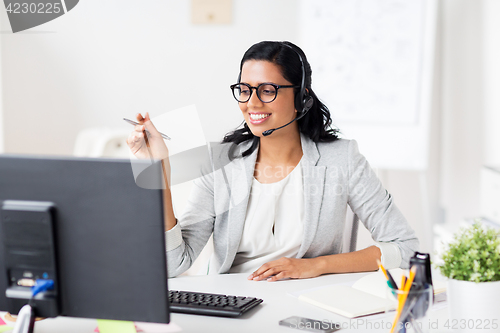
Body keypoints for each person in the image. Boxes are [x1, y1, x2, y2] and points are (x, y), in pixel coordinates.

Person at [127, 41, 419, 281]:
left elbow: (405, 248)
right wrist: (158, 171)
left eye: (267, 90)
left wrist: (315, 266)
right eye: (244, 89)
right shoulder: (219, 162)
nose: (251, 103)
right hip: (232, 307)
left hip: (306, 306)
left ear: (301, 98)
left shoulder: (341, 159)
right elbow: (173, 265)